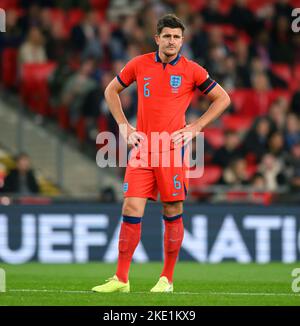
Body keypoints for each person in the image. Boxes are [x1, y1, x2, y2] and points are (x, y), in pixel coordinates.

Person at [92, 14, 230, 293]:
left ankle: (166, 279)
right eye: (167, 36)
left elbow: (223, 98)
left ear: (182, 40)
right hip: (143, 149)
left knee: (172, 210)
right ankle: (121, 279)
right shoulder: (139, 64)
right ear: (157, 38)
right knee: (130, 207)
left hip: (172, 151)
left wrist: (196, 127)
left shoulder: (192, 70)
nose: (172, 41)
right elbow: (111, 90)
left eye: (177, 37)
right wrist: (123, 125)